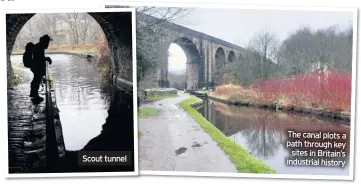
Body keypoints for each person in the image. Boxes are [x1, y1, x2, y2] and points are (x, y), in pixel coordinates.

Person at [30, 34, 53, 100]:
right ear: (44, 41)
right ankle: (35, 96)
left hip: (36, 66)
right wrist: (46, 58)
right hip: (36, 66)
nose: (48, 44)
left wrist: (45, 58)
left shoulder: (39, 46)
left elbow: (40, 57)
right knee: (36, 80)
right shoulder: (39, 47)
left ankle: (33, 93)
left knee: (36, 79)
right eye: (47, 42)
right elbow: (39, 58)